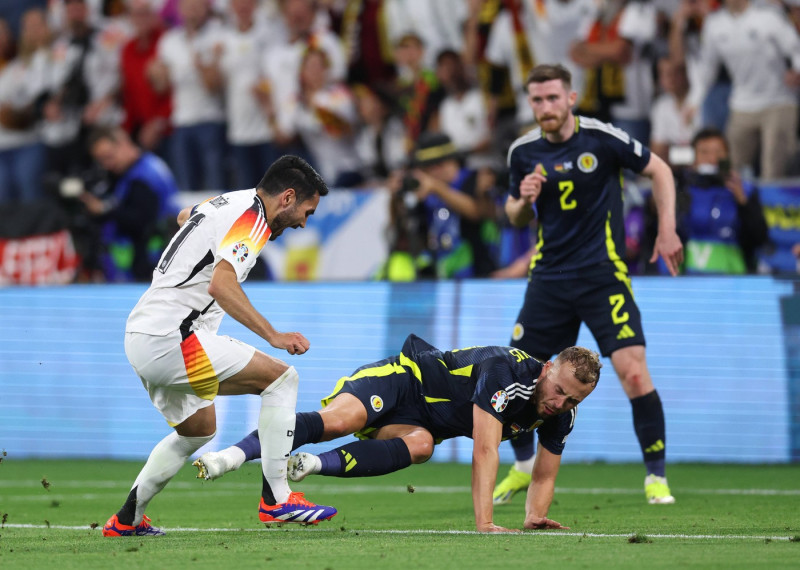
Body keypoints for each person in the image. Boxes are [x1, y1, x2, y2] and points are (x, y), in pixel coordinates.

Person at [102, 155, 337, 537]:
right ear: (288, 197)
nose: (301, 223)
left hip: (141, 335)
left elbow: (184, 216)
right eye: (306, 212)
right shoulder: (254, 219)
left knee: (198, 429)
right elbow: (221, 285)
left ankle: (127, 519)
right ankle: (277, 499)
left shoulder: (227, 202)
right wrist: (273, 335)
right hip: (174, 337)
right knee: (281, 380)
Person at [494, 63, 683, 507]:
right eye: (537, 100)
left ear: (571, 98)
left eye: (553, 98)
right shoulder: (522, 151)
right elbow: (513, 215)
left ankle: (656, 477)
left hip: (603, 276)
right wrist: (524, 199)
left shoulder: (602, 137)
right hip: (550, 280)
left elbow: (661, 171)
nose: (545, 107)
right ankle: (522, 468)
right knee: (520, 374)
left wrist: (667, 228)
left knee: (633, 372)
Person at [193, 334, 602, 533]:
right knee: (340, 422)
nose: (560, 403)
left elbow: (545, 473)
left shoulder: (560, 415)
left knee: (422, 446)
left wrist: (533, 516)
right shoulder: (507, 372)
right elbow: (484, 449)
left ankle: (313, 465)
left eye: (573, 401)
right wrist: (486, 523)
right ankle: (229, 456)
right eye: (559, 390)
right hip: (402, 379)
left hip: (421, 423)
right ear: (547, 367)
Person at [645, 127, 768, 275]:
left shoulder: (745, 190)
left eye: (719, 152)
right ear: (693, 158)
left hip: (735, 279)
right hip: (688, 279)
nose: (713, 159)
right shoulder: (679, 188)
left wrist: (743, 202)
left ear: (728, 156)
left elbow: (761, 238)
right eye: (704, 152)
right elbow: (657, 234)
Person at [78, 126, 180, 281]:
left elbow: (141, 220)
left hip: (152, 264)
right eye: (101, 161)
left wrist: (103, 210)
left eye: (109, 156)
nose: (107, 165)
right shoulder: (141, 167)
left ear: (123, 142)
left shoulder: (143, 177)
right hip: (151, 261)